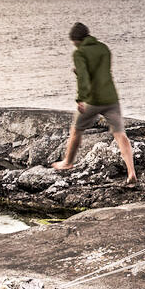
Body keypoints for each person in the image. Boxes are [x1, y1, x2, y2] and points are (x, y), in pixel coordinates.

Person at [50, 22, 137, 185]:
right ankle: (131, 172)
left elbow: (84, 77)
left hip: (93, 100)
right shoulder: (103, 48)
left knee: (76, 129)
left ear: (76, 40)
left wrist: (80, 98)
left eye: (73, 42)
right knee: (120, 134)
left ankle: (67, 162)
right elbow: (101, 71)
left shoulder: (79, 53)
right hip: (111, 98)